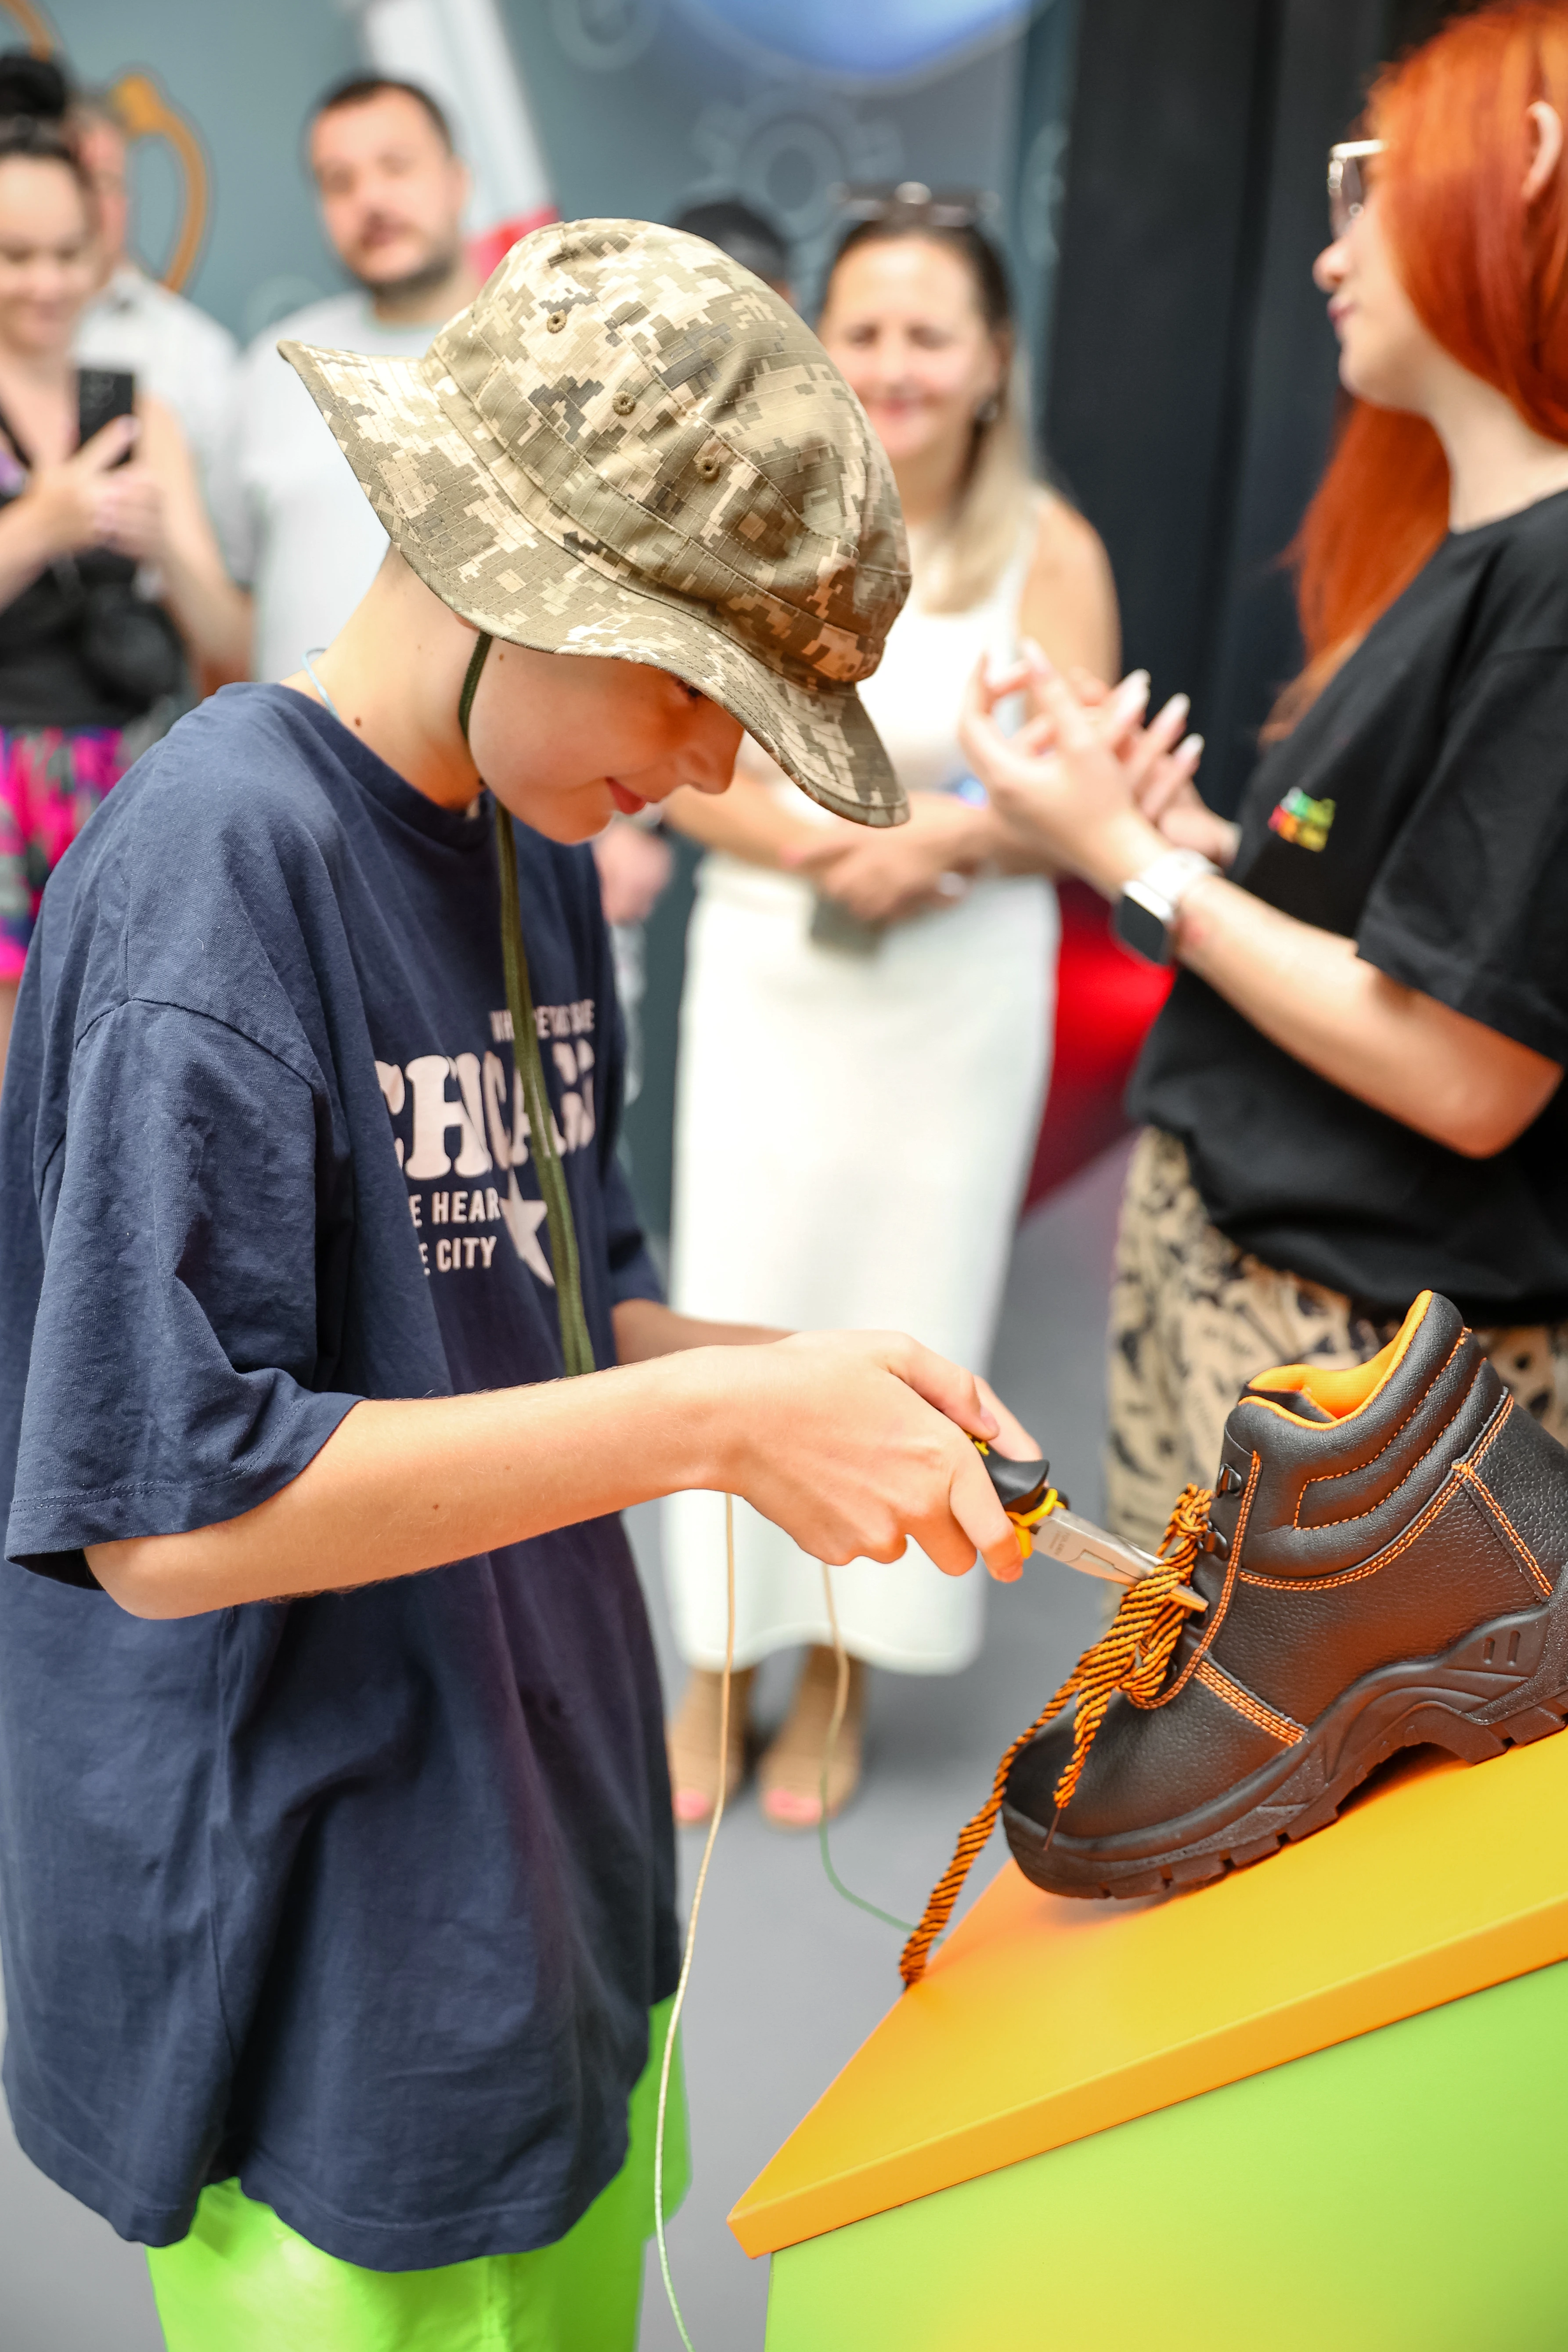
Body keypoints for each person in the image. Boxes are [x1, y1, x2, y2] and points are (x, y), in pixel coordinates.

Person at [0, 217, 1035, 2352]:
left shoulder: (531, 847)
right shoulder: (225, 873)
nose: (713, 771)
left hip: (530, 1847)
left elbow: (578, 1298)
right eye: (689, 686)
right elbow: (166, 1518)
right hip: (312, 1920)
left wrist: (807, 1378)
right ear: (510, 568)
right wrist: (719, 1426)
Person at [959, 0, 1568, 1560]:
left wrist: (1136, 865)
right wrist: (1190, 839)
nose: (1327, 253)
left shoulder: (1550, 575)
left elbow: (1463, 1066)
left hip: (1361, 1340)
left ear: (1526, 166)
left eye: (1368, 186)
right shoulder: (1474, 551)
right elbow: (1412, 916)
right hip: (1249, 1259)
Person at [660, 190, 1120, 1827]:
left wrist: (947, 834)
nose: (894, 362)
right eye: (863, 328)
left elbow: (1086, 798)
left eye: (930, 332)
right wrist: (808, 832)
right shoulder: (747, 506)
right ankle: (715, 1660)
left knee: (910, 1325)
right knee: (741, 1296)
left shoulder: (1046, 552)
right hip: (772, 968)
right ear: (817, 341)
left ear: (990, 359)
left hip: (954, 992)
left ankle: (838, 1676)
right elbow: (662, 745)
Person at [0, 90, 248, 1075]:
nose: (48, 283)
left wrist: (171, 553)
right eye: (17, 257)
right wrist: (42, 525)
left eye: (69, 253)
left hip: (118, 781)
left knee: (115, 1066)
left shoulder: (140, 411)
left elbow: (229, 633)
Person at [209, 75, 481, 685]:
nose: (371, 200)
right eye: (340, 182)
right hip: (296, 763)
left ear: (458, 181)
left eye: (395, 166)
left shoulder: (541, 349)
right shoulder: (277, 366)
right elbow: (237, 603)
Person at [72, 90, 238, 498]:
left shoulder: (197, 350)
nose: (87, 204)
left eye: (106, 182)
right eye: (74, 181)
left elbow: (227, 546)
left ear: (130, 199)